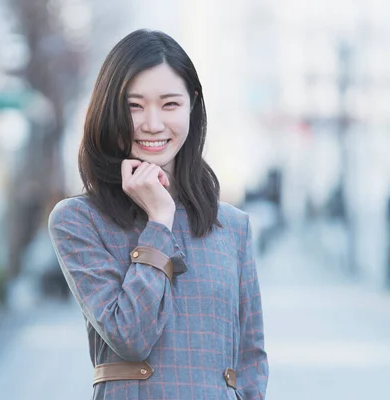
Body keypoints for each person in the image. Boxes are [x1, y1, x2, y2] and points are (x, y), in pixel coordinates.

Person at [48, 29, 268, 400]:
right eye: (134, 106)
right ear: (109, 110)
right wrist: (159, 223)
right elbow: (131, 337)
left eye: (169, 104)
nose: (152, 123)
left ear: (192, 106)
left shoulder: (232, 226)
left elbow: (250, 361)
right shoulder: (78, 220)